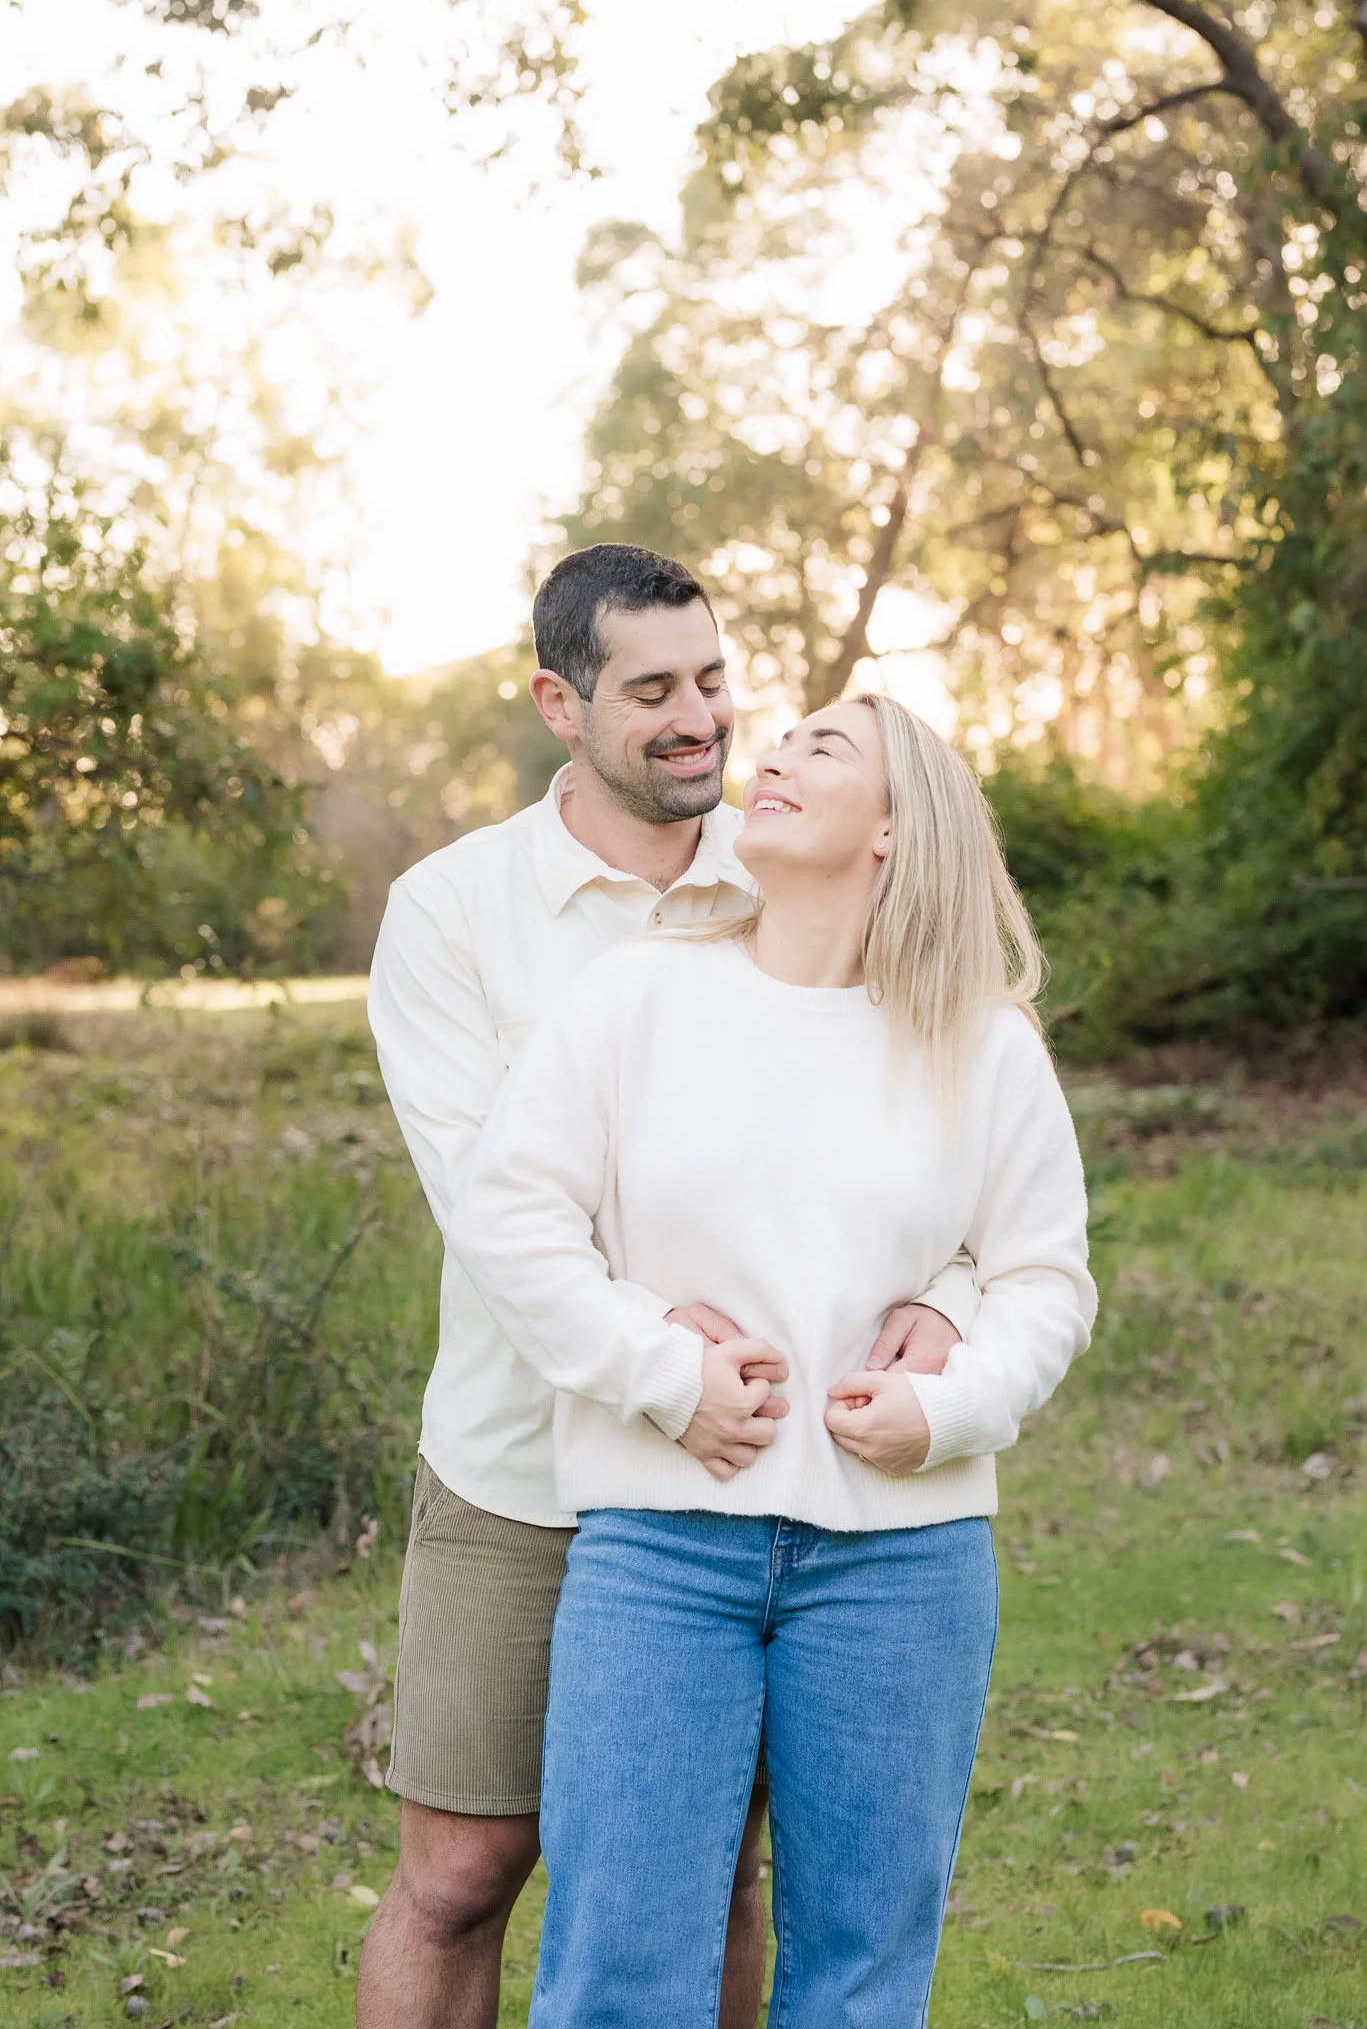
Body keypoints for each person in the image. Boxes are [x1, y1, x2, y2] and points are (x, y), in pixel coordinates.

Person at [360, 548, 976, 2029]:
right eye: (652, 693)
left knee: (713, 1876)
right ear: (558, 706)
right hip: (525, 1465)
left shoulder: (791, 870)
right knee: (463, 1869)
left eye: (711, 680)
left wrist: (949, 1291)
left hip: (752, 1470)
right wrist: (655, 1350)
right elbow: (493, 1212)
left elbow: (933, 1134)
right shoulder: (451, 914)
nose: (700, 720)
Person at [453, 691, 1098, 2028]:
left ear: (892, 829)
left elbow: (1043, 1279)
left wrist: (944, 1406)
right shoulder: (636, 996)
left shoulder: (983, 1044)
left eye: (825, 750)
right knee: (618, 1970)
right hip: (660, 1544)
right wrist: (662, 1375)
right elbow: (511, 1219)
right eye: (785, 741)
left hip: (902, 1564)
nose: (776, 762)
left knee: (862, 1979)